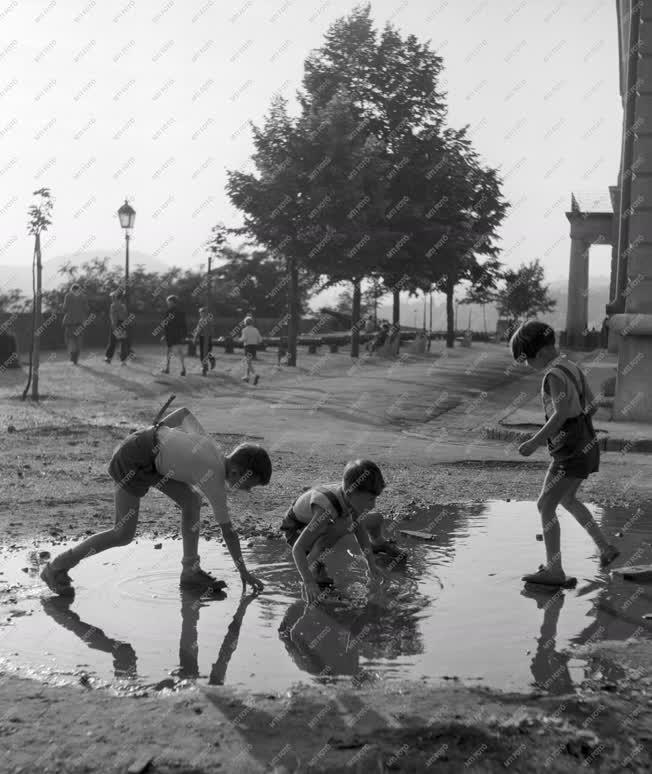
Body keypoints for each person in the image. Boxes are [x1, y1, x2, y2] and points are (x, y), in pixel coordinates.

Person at [40, 403, 270, 597]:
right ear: (238, 472)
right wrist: (244, 572)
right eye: (250, 485)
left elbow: (183, 413)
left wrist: (157, 429)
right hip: (133, 458)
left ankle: (190, 570)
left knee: (191, 501)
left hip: (149, 455)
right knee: (122, 533)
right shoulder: (214, 477)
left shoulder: (211, 447)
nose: (248, 491)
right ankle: (56, 567)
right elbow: (228, 532)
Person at [510, 321, 619, 586]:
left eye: (525, 359)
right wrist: (576, 420)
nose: (526, 365)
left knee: (546, 506)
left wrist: (534, 442)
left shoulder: (552, 376)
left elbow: (559, 416)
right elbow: (592, 406)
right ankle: (605, 548)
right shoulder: (571, 367)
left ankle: (554, 570)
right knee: (566, 500)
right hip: (585, 446)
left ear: (538, 352)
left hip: (569, 452)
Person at [280, 459, 406, 604]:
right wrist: (308, 581)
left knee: (375, 518)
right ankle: (314, 570)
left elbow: (360, 532)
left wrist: (371, 565)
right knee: (339, 528)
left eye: (375, 498)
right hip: (295, 529)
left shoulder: (351, 498)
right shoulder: (325, 510)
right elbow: (298, 548)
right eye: (370, 499)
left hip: (322, 520)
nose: (373, 505)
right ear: (351, 493)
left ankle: (378, 543)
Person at [61, 283, 90, 365]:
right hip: (80, 322)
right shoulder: (83, 297)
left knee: (70, 340)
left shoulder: (68, 296)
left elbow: (65, 308)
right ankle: (76, 358)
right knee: (79, 340)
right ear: (79, 289)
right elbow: (87, 309)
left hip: (70, 322)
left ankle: (72, 356)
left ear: (72, 289)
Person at [161, 295, 187, 376]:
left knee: (169, 351)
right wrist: (184, 335)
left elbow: (166, 324)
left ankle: (168, 368)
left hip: (171, 334)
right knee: (179, 351)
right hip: (178, 334)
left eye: (168, 302)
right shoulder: (181, 311)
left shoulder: (168, 312)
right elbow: (184, 325)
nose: (167, 303)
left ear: (172, 302)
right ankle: (183, 369)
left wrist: (165, 334)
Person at [104, 289, 129, 366]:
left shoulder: (113, 305)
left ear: (115, 297)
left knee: (112, 342)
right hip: (123, 324)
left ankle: (108, 358)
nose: (111, 298)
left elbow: (113, 317)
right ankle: (123, 361)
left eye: (112, 296)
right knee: (123, 343)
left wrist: (114, 327)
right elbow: (125, 317)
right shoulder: (123, 306)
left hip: (116, 324)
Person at [193, 307, 216, 376]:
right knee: (207, 352)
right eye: (200, 312)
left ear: (204, 313)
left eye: (201, 312)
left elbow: (199, 330)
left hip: (203, 338)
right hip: (208, 338)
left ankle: (204, 368)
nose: (200, 314)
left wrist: (195, 338)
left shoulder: (202, 320)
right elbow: (212, 330)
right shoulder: (209, 319)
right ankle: (210, 362)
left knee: (203, 354)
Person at [240, 316, 263, 385]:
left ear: (245, 323)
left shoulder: (244, 330)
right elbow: (260, 340)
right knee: (248, 362)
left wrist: (238, 339)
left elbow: (244, 339)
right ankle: (246, 377)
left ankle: (255, 375)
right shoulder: (256, 329)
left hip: (247, 347)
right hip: (254, 347)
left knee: (248, 363)